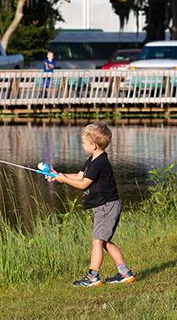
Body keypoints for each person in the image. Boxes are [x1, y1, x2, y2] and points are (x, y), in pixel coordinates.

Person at [46, 122, 134, 286]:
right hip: (105, 205)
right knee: (105, 241)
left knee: (97, 241)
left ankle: (93, 276)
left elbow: (83, 184)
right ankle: (124, 273)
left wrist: (62, 179)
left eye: (84, 142)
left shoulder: (100, 162)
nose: (82, 145)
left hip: (107, 206)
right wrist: (59, 175)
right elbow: (79, 176)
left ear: (93, 145)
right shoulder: (92, 160)